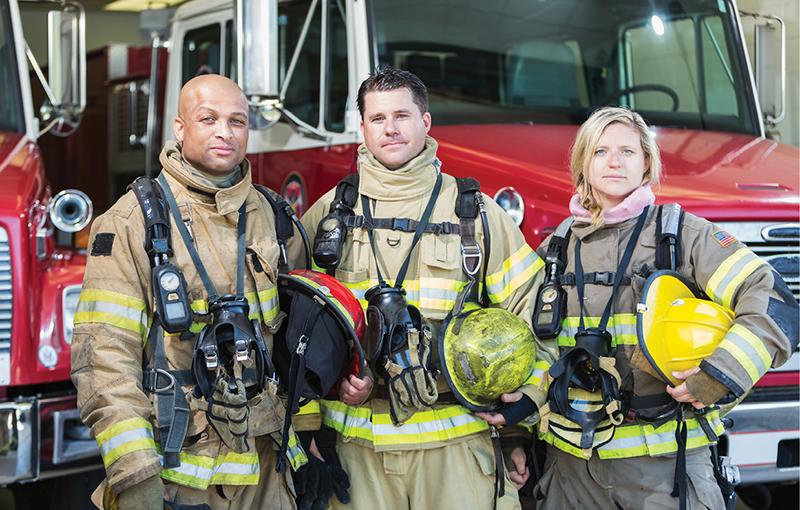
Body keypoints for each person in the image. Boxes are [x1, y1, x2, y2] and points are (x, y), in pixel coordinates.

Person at [300, 66, 545, 510]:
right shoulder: (328, 215)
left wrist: (515, 425)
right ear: (362, 128)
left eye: (402, 116)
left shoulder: (475, 213)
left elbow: (531, 316)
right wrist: (309, 428)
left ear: (426, 121)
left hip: (456, 448)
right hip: (356, 451)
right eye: (377, 118)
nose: (390, 129)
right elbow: (293, 330)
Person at [532, 106, 798, 509]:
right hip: (570, 475)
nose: (614, 162)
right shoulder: (557, 249)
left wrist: (721, 373)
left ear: (646, 163)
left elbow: (773, 299)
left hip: (665, 473)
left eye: (627, 151)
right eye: (601, 151)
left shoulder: (680, 236)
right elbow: (530, 346)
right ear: (583, 162)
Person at [71, 74, 314, 510]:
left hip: (270, 470)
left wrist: (314, 439)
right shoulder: (131, 223)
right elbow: (104, 358)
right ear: (180, 129)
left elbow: (303, 341)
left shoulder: (275, 217)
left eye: (237, 121)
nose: (225, 132)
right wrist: (135, 474)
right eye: (208, 119)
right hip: (179, 475)